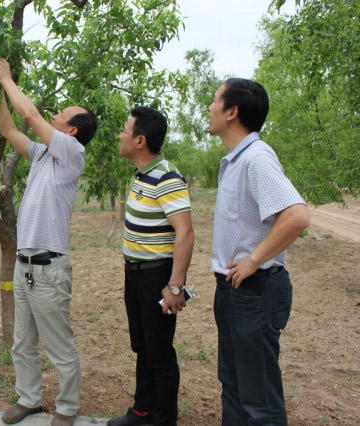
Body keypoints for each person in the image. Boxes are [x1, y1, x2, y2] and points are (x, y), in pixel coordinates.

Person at [0, 58, 97, 426]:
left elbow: (30, 113)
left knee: (58, 344)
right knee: (22, 341)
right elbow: (8, 128)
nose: (54, 114)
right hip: (25, 265)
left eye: (63, 113)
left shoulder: (72, 153)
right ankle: (29, 398)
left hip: (50, 267)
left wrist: (7, 79)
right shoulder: (41, 156)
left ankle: (67, 406)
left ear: (71, 131)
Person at [208, 78, 310, 425]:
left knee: (259, 399)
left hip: (255, 291)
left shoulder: (256, 157)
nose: (209, 107)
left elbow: (296, 216)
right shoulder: (237, 160)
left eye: (215, 100)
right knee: (234, 386)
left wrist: (254, 259)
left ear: (232, 112)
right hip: (234, 290)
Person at [107, 107, 194, 426]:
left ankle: (164, 420)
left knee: (159, 353)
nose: (120, 134)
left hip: (157, 276)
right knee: (143, 346)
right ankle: (143, 411)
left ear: (140, 140)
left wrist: (174, 287)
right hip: (135, 273)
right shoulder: (143, 174)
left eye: (125, 129)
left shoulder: (167, 178)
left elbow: (185, 233)